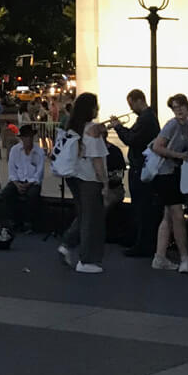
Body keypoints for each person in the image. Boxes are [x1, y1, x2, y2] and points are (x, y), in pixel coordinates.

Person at [149, 93, 188, 274]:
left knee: (168, 216)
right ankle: (184, 257)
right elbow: (158, 147)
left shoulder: (187, 125)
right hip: (167, 174)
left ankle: (160, 255)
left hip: (172, 173)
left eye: (181, 106)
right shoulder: (173, 125)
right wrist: (179, 156)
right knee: (177, 216)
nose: (178, 110)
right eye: (174, 107)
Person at [57, 93, 110, 272]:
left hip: (75, 176)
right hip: (90, 179)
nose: (98, 108)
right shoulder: (93, 131)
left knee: (84, 215)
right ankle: (87, 260)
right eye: (96, 105)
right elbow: (97, 162)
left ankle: (68, 243)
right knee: (92, 219)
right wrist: (105, 184)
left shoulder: (74, 127)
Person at [111, 90, 160, 257]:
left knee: (142, 207)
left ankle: (142, 244)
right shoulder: (146, 117)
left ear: (139, 101)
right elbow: (132, 135)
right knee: (139, 206)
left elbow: (131, 139)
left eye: (131, 104)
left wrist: (118, 127)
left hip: (140, 167)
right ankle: (137, 240)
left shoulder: (146, 119)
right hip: (139, 166)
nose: (130, 109)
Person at [2, 123, 45, 233]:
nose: (28, 140)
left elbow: (39, 173)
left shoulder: (39, 151)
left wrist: (28, 184)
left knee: (32, 195)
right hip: (18, 180)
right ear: (21, 138)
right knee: (7, 192)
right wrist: (17, 184)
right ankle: (12, 220)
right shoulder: (15, 150)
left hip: (32, 182)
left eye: (30, 137)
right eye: (26, 137)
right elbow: (12, 171)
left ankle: (28, 222)